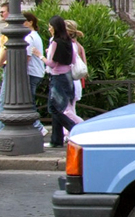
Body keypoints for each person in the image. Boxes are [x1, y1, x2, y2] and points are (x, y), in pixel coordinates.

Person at [44, 15, 79, 147]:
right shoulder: (69, 41)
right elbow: (74, 59)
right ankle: (56, 140)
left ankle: (73, 128)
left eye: (50, 27)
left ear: (55, 28)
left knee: (53, 108)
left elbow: (52, 64)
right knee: (59, 107)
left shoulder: (55, 42)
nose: (49, 29)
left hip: (57, 77)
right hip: (68, 77)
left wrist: (40, 55)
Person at [24, 12, 48, 137]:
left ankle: (38, 127)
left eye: (23, 21)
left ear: (30, 22)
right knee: (29, 100)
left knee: (29, 101)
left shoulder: (29, 37)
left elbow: (27, 57)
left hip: (31, 72)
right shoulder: (36, 36)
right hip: (37, 71)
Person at [63, 19, 87, 135]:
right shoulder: (78, 45)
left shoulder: (71, 45)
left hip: (70, 79)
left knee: (66, 110)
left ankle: (82, 126)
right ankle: (70, 132)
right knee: (71, 108)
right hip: (75, 79)